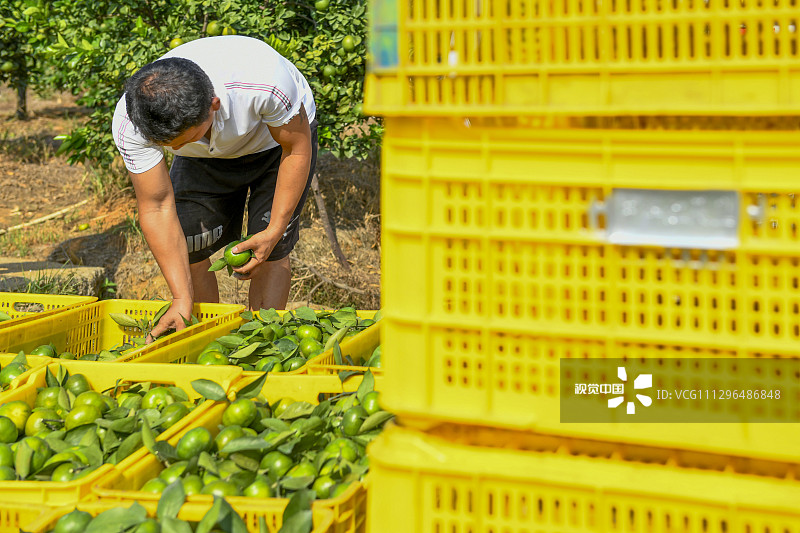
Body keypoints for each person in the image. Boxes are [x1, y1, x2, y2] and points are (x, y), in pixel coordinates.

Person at [111, 35, 317, 339]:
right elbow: (156, 206)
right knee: (190, 239)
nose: (174, 148)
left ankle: (263, 341)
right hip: (203, 155)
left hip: (277, 144)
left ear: (214, 105)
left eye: (184, 139)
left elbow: (296, 150)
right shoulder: (134, 122)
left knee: (271, 247)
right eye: (169, 145)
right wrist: (181, 298)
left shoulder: (266, 84)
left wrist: (273, 231)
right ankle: (208, 337)